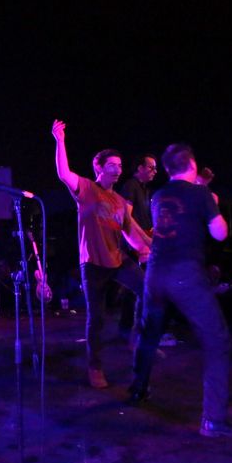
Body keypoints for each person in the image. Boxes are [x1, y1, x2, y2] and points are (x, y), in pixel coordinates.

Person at [127, 144, 232, 437]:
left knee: (149, 334)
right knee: (217, 341)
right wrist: (212, 204)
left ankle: (137, 390)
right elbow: (220, 233)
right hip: (185, 275)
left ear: (168, 169)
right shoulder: (201, 194)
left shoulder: (159, 195)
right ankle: (213, 420)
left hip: (155, 274)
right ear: (193, 165)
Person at [52, 119, 150, 389]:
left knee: (147, 289)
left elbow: (131, 233)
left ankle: (134, 336)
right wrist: (60, 141)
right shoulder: (86, 188)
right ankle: (95, 366)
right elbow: (64, 173)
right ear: (99, 166)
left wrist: (148, 246)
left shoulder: (119, 201)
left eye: (120, 165)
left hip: (117, 260)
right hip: (93, 264)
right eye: (112, 165)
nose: (118, 169)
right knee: (97, 318)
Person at [118, 155, 158, 343]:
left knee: (140, 288)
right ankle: (129, 330)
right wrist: (141, 241)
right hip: (134, 246)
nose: (155, 171)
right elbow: (126, 217)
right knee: (135, 288)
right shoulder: (131, 186)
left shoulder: (145, 189)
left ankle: (132, 329)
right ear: (139, 168)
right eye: (151, 167)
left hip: (143, 243)